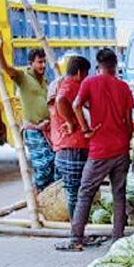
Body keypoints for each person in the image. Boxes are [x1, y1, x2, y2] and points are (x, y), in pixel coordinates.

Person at [55, 49, 134, 252]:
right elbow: (128, 120)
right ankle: (117, 239)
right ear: (115, 66)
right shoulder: (124, 87)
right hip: (121, 148)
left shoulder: (90, 82)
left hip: (100, 149)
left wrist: (85, 128)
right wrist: (127, 142)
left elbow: (76, 105)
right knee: (119, 194)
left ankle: (76, 238)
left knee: (85, 193)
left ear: (98, 66)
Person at [0, 34, 55, 191]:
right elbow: (7, 69)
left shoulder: (45, 80)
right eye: (39, 62)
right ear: (31, 63)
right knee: (42, 167)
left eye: (44, 62)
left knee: (54, 166)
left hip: (48, 130)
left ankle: (48, 199)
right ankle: (38, 195)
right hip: (34, 130)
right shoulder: (23, 77)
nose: (43, 66)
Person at [49, 55, 91, 220]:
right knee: (76, 193)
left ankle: (78, 230)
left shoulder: (62, 83)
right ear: (80, 73)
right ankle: (77, 232)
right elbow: (60, 100)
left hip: (67, 147)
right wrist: (71, 122)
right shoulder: (70, 85)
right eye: (86, 74)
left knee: (76, 192)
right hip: (72, 147)